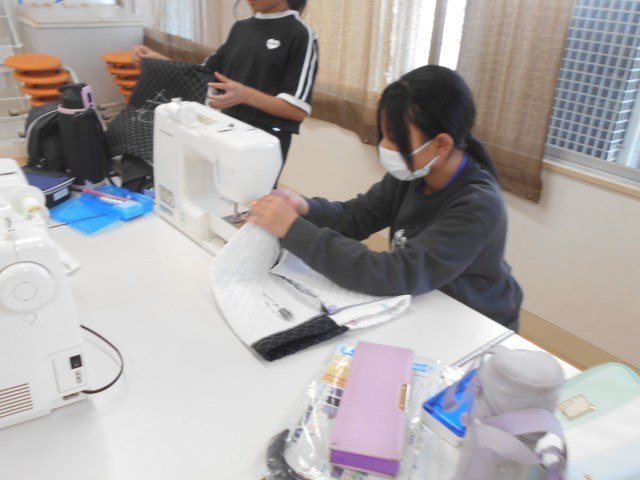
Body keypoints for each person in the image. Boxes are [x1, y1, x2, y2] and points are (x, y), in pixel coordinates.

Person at [249, 65, 523, 331]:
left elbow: (394, 273)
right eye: (385, 134)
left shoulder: (476, 205)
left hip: (474, 323)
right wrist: (305, 208)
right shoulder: (415, 172)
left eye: (395, 137)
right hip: (425, 302)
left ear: (441, 144)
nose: (385, 147)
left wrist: (294, 229)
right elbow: (356, 216)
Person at [130, 0, 318, 164]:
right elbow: (203, 74)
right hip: (225, 129)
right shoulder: (241, 28)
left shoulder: (300, 34)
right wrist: (155, 59)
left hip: (265, 140)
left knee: (253, 193)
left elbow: (297, 110)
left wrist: (246, 95)